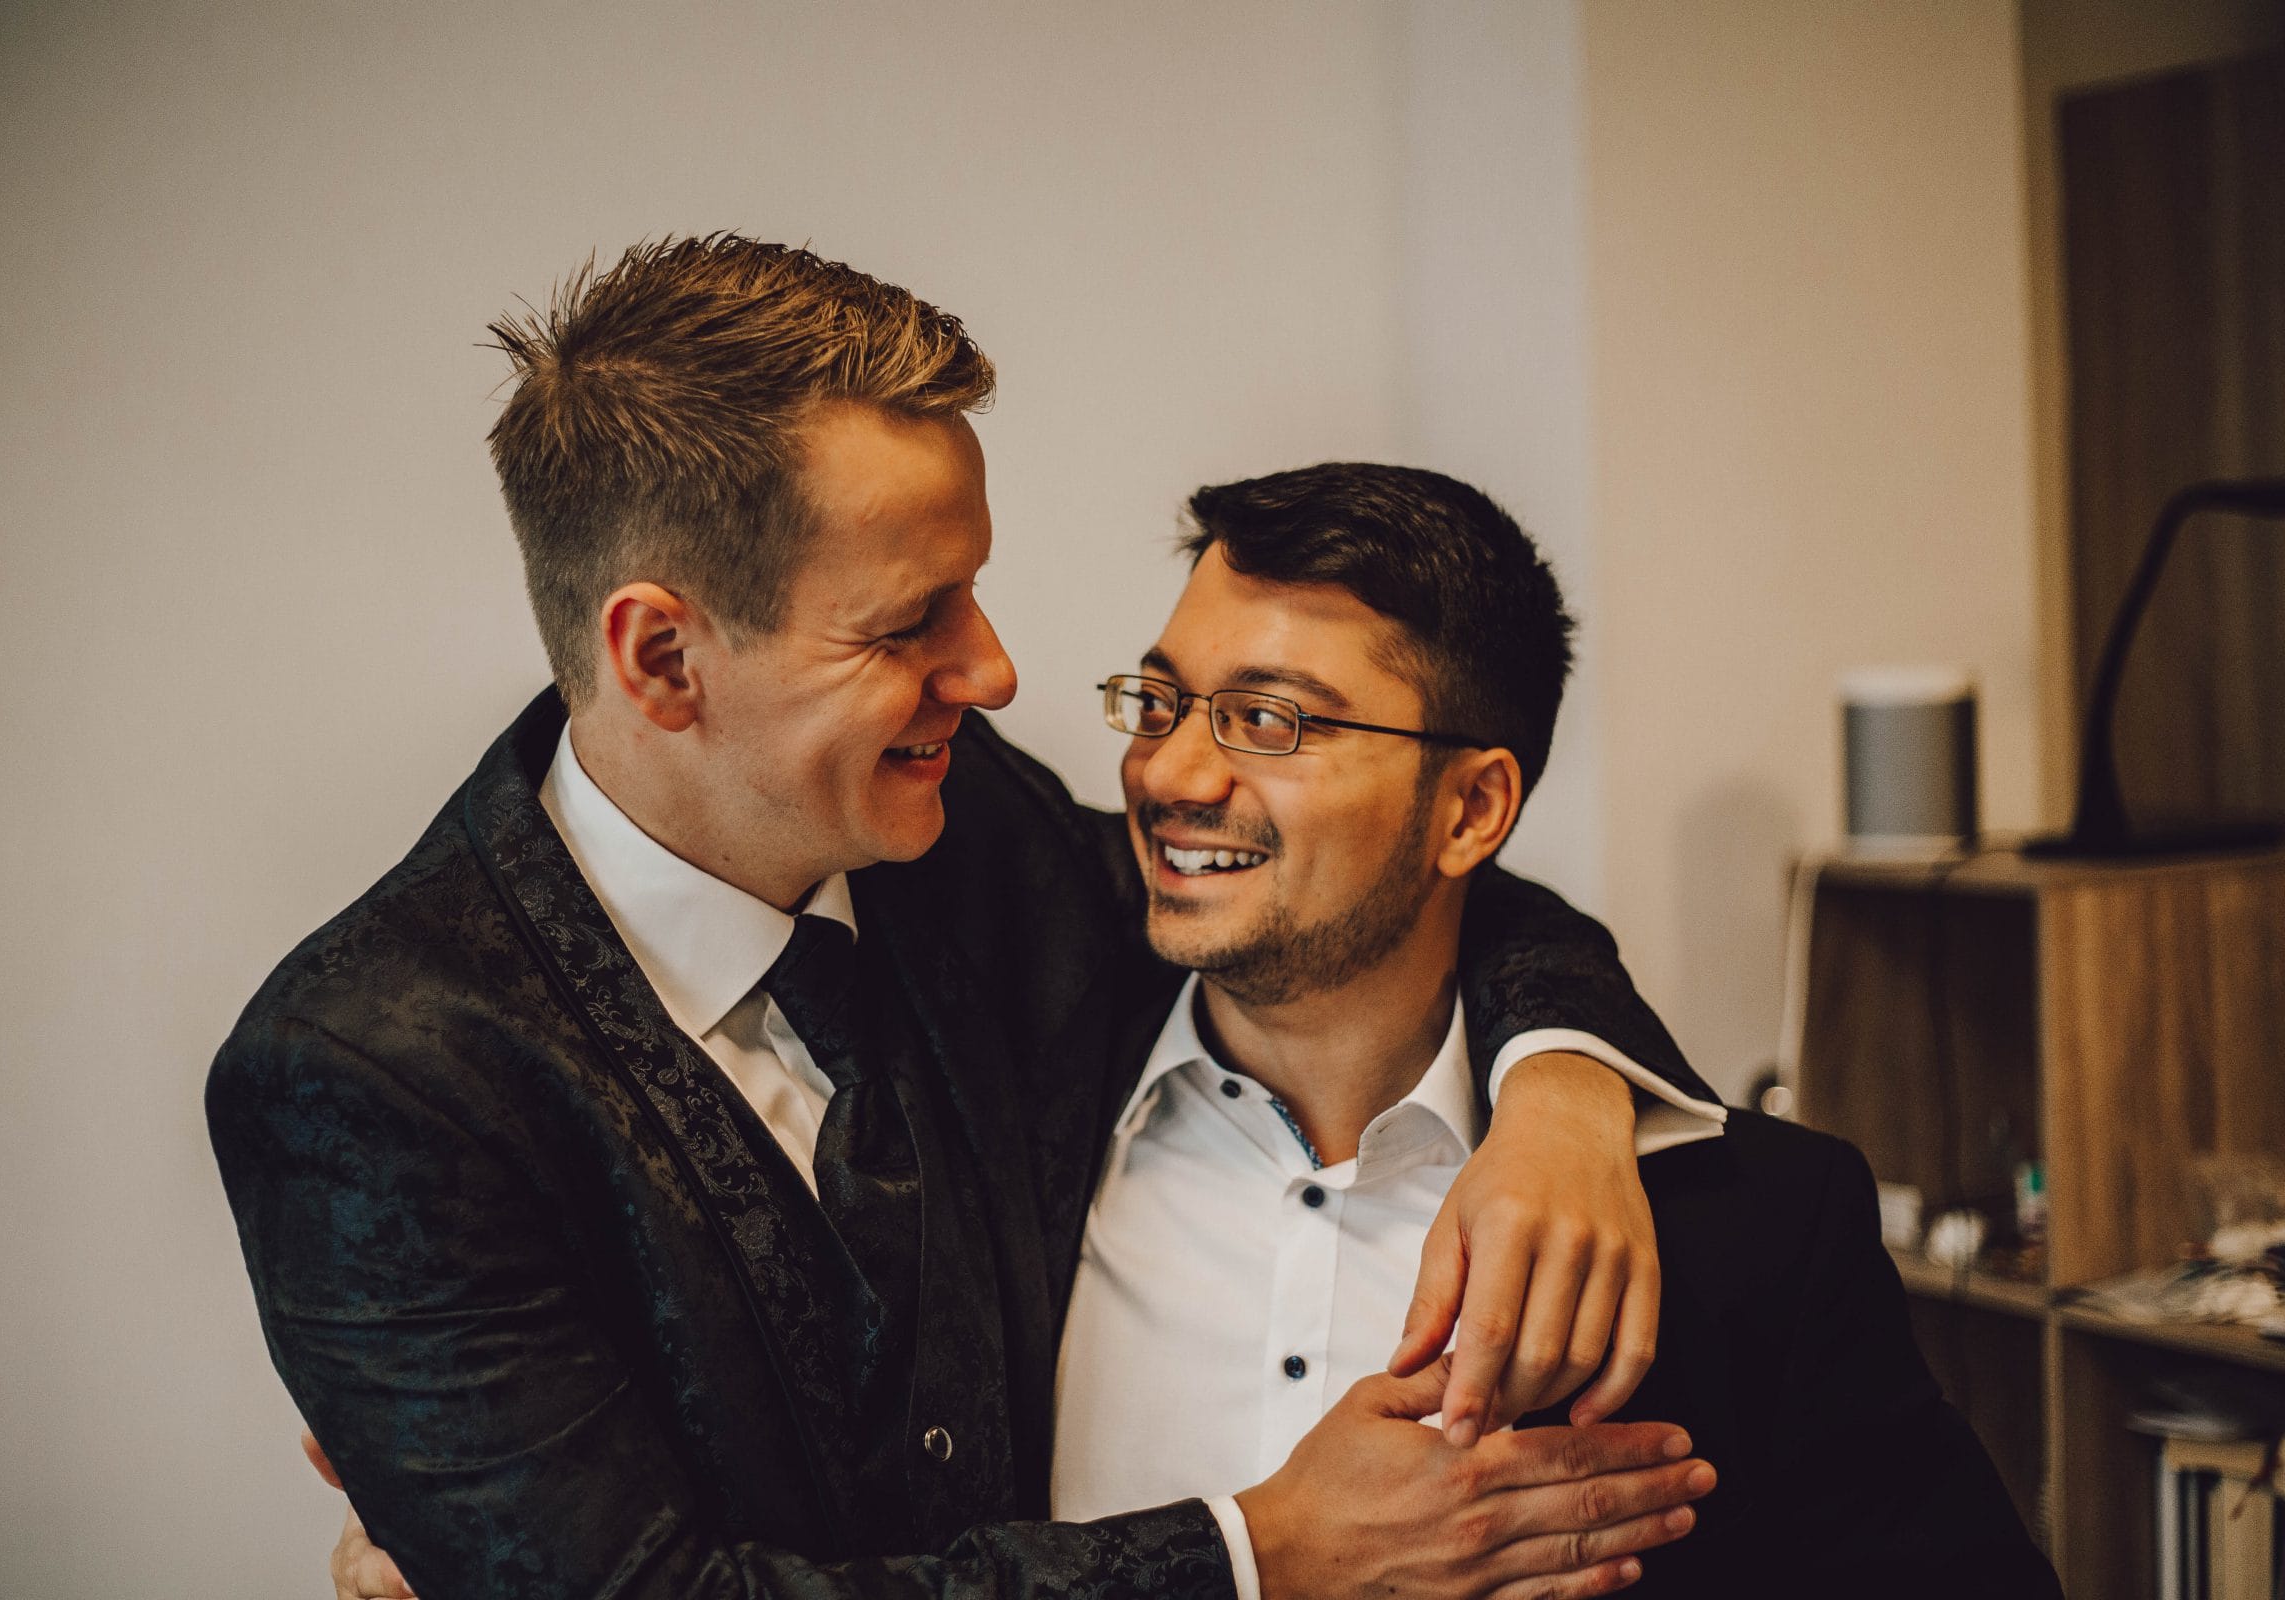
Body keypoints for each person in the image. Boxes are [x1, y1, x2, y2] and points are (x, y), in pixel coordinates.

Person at [209, 236, 1725, 1600]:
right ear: (665, 657)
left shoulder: (951, 827)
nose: (993, 670)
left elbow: (1349, 883)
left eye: (974, 593)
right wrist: (1264, 1556)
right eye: (908, 621)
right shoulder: (367, 1080)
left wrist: (1563, 1097)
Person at [1044, 463, 2062, 1596]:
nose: (1171, 770)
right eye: (1161, 699)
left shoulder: (1759, 1229)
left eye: (1269, 720)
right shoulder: (1014, 1102)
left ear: (1471, 809)